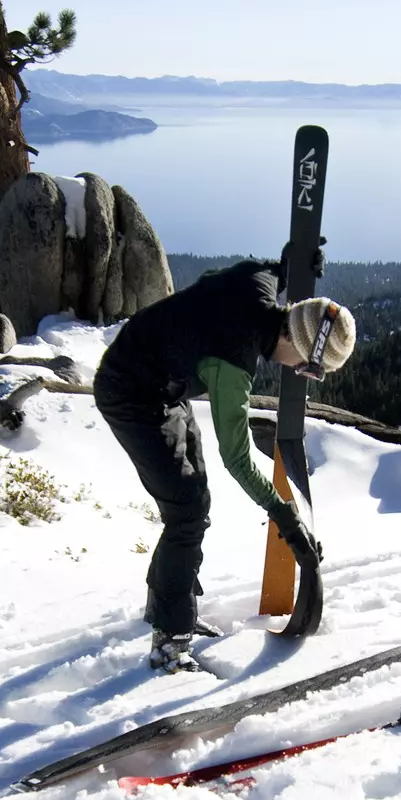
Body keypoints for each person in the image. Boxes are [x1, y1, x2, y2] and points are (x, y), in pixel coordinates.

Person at [93, 260, 358, 673]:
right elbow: (237, 458)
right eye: (309, 366)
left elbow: (267, 268)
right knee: (186, 512)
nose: (298, 371)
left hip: (160, 379)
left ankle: (164, 601)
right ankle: (170, 642)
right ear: (300, 347)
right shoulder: (234, 363)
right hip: (129, 391)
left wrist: (289, 262)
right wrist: (285, 519)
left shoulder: (258, 282)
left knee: (193, 498)